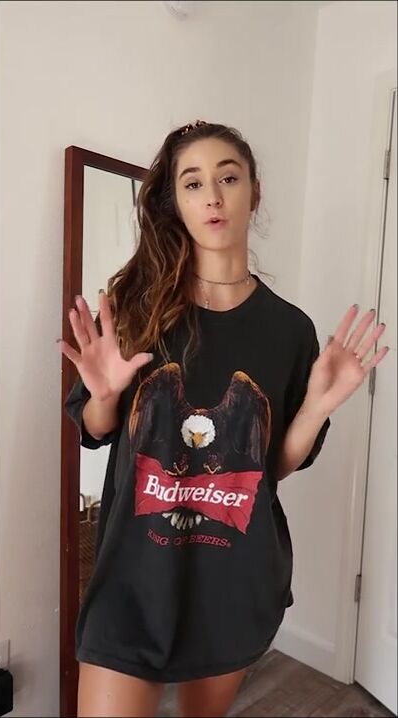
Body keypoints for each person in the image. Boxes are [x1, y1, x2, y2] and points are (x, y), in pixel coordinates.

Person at [59, 120, 389, 718]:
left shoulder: (289, 330)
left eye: (228, 178)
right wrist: (104, 395)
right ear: (176, 203)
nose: (212, 196)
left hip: (233, 578)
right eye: (193, 183)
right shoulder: (137, 308)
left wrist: (317, 406)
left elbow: (271, 468)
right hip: (133, 577)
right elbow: (94, 429)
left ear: (253, 192)